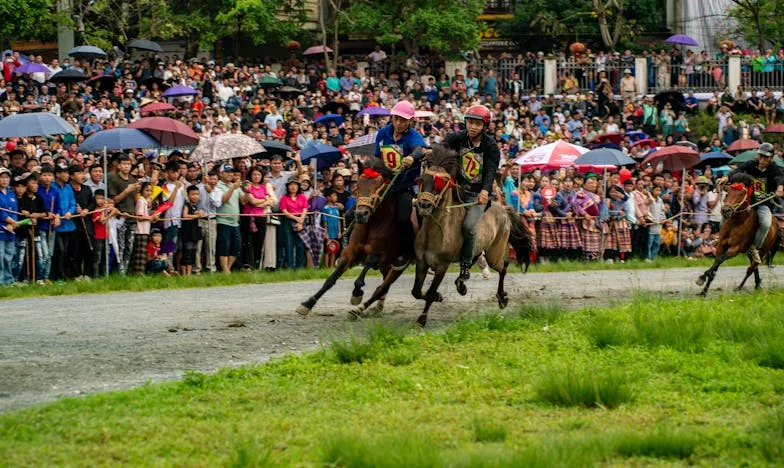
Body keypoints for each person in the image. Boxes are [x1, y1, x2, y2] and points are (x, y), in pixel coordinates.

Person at [444, 104, 501, 281]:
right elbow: (441, 149)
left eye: (477, 124)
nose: (473, 127)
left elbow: (490, 170)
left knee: (469, 227)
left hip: (477, 195)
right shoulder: (456, 138)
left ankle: (465, 265)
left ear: (484, 126)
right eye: (470, 122)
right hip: (456, 189)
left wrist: (485, 191)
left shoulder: (491, 146)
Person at [373, 99, 426, 269]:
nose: (398, 123)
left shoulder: (414, 136)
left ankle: (407, 251)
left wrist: (411, 157)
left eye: (403, 120)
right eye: (396, 118)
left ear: (410, 121)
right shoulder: (383, 133)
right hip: (385, 185)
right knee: (360, 210)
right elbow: (377, 157)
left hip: (404, 187)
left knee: (403, 219)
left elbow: (419, 149)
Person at [716, 142, 784, 263]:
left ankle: (754, 248)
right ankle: (721, 238)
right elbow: (738, 170)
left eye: (766, 157)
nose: (762, 160)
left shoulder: (774, 169)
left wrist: (779, 188)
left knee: (766, 223)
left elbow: (779, 178)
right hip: (748, 201)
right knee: (726, 214)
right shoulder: (751, 164)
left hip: (763, 203)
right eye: (761, 156)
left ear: (771, 158)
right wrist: (726, 177)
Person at [180, 185, 205, 276]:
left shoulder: (195, 206)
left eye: (197, 194)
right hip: (188, 233)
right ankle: (184, 274)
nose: (195, 196)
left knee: (192, 253)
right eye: (193, 194)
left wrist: (200, 214)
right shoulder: (187, 205)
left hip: (195, 233)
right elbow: (185, 215)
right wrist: (196, 216)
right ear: (188, 195)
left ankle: (189, 273)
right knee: (186, 252)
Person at [0, 167, 19, 285]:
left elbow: (15, 210)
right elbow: (1, 212)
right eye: (2, 177)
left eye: (7, 177)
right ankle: (1, 280)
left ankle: (9, 279)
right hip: (1, 228)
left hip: (11, 229)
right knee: (0, 255)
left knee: (9, 255)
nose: (4, 180)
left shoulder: (11, 193)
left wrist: (13, 223)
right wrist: (10, 221)